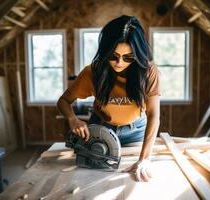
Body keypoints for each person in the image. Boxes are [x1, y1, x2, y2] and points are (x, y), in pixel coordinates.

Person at [57, 15, 160, 182]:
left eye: (128, 57)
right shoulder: (93, 72)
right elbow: (63, 101)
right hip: (100, 130)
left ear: (138, 55)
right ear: (105, 51)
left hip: (136, 131)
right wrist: (72, 119)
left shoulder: (148, 72)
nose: (119, 63)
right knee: (87, 178)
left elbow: (154, 115)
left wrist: (144, 158)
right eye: (113, 56)